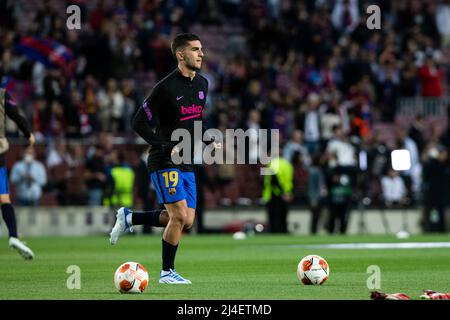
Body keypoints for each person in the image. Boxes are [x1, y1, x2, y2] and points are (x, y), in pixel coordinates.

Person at [109, 33, 220, 284]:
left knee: (186, 220)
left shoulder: (203, 84)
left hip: (187, 159)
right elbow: (137, 122)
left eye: (201, 49)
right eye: (195, 49)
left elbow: (195, 121)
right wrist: (164, 145)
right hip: (163, 159)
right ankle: (167, 272)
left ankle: (130, 218)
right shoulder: (165, 88)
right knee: (178, 216)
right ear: (181, 55)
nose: (201, 54)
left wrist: (209, 138)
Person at [0, 86, 35, 259]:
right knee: (4, 198)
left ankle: (15, 236)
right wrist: (28, 133)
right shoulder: (2, 94)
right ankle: (13, 236)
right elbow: (16, 115)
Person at [262, 151, 294, 233]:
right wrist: (289, 193)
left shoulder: (272, 164)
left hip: (274, 194)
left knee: (274, 217)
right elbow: (291, 179)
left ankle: (275, 232)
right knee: (283, 216)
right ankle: (284, 232)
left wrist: (282, 192)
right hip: (287, 193)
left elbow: (273, 180)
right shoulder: (287, 164)